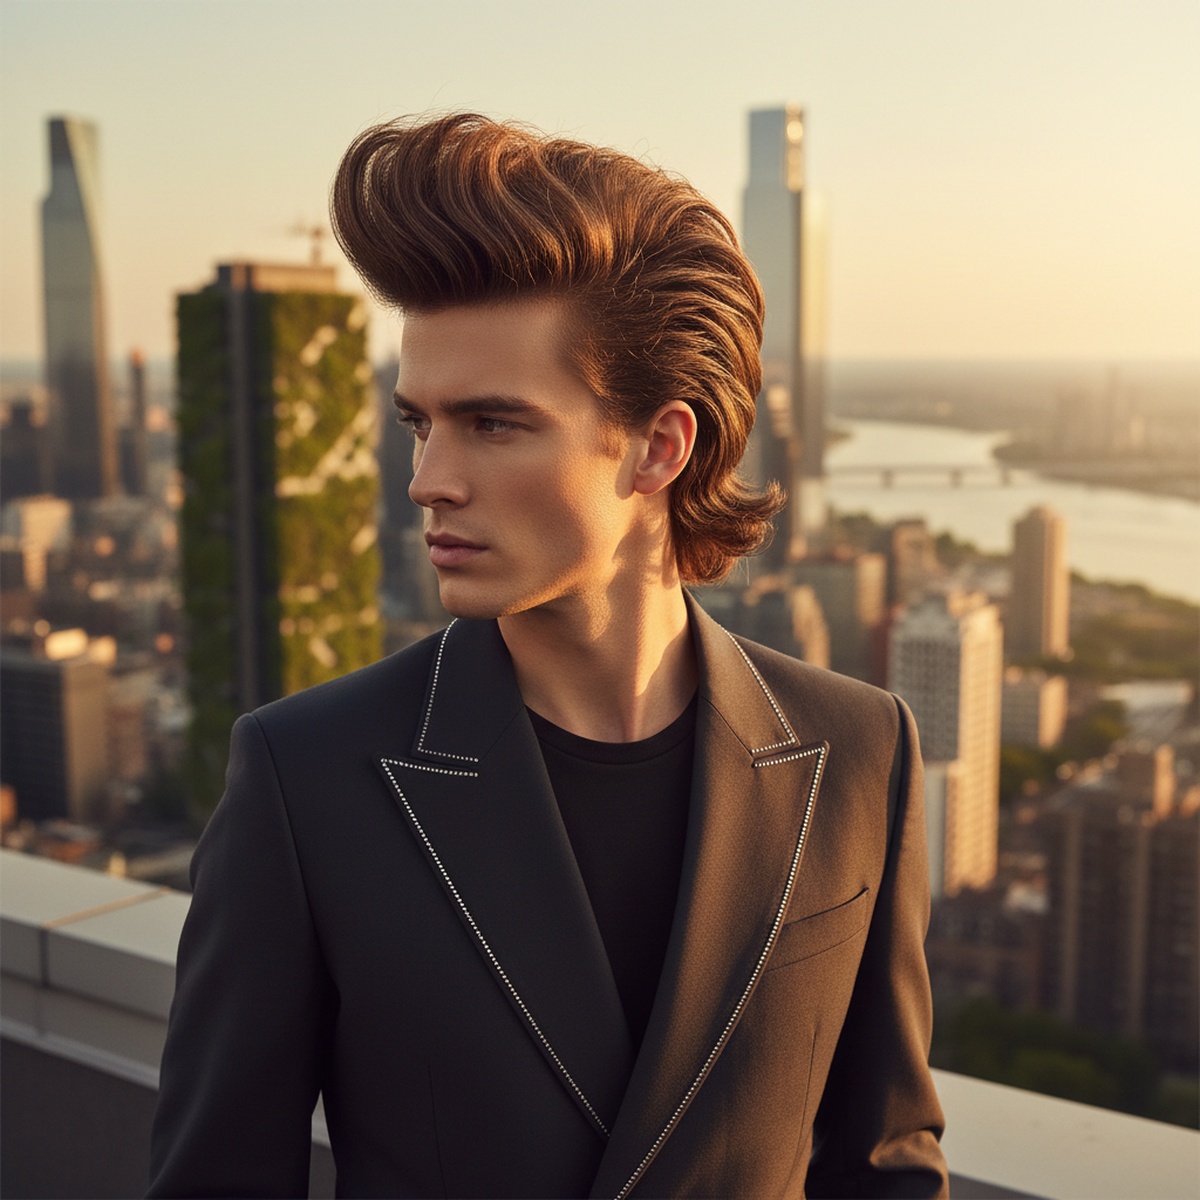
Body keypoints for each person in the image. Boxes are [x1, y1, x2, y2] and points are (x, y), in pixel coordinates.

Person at [149, 112, 948, 1199]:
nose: (428, 479)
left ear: (659, 446)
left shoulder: (861, 750)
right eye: (416, 423)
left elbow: (885, 1161)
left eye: (491, 423)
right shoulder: (306, 778)